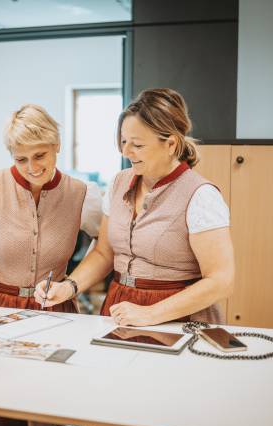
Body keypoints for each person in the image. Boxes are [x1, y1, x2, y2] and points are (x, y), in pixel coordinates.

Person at [0, 104, 102, 426]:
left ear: (57, 145)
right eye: (21, 159)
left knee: (47, 409)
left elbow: (105, 248)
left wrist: (73, 285)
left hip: (56, 315)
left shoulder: (82, 194)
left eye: (40, 155)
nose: (32, 167)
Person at [34, 88, 234, 326]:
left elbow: (221, 280)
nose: (125, 152)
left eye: (137, 145)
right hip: (120, 308)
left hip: (179, 318)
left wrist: (150, 313)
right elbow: (104, 253)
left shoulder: (201, 196)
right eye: (123, 142)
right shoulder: (119, 183)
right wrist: (69, 287)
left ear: (170, 144)